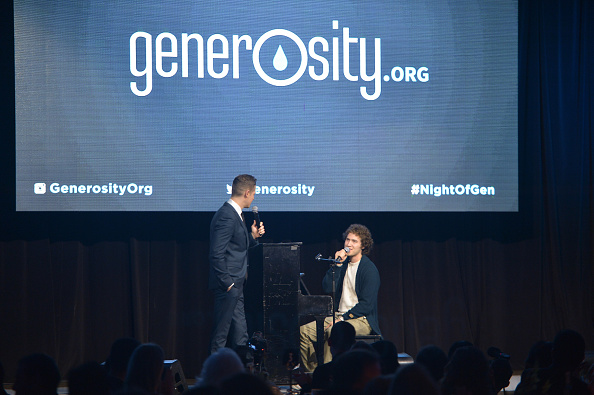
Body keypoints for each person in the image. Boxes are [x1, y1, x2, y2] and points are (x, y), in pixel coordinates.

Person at [300, 224, 381, 372]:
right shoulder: (342, 265)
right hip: (337, 316)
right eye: (347, 240)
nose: (349, 244)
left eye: (354, 241)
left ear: (363, 245)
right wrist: (336, 265)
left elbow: (366, 305)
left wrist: (342, 319)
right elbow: (327, 287)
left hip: (361, 319)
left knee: (334, 331)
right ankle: (314, 374)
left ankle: (330, 375)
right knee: (303, 332)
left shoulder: (369, 270)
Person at [209, 174, 265, 354]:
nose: (254, 197)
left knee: (241, 333)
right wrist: (228, 284)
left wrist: (253, 237)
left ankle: (244, 372)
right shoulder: (227, 215)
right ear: (247, 192)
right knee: (221, 335)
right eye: (254, 193)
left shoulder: (236, 214)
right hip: (229, 285)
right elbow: (216, 253)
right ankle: (214, 377)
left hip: (237, 284)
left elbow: (236, 247)